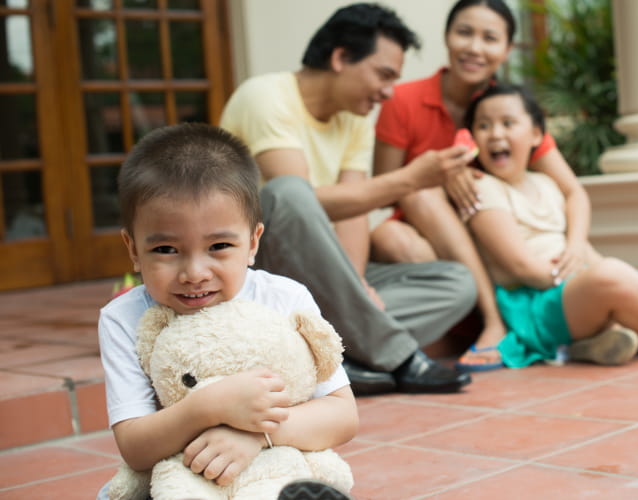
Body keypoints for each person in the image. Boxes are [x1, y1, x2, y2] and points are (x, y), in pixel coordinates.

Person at [219, 3, 476, 395]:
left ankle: (335, 349)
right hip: (263, 269)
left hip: (323, 283)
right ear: (341, 57)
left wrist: (356, 281)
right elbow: (298, 205)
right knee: (290, 193)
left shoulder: (355, 118)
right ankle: (398, 357)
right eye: (384, 75)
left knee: (457, 283)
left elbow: (355, 208)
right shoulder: (265, 96)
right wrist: (409, 179)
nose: (389, 92)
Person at [96, 124, 357, 499]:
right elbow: (135, 447)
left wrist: (256, 432)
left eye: (218, 245)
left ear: (252, 243)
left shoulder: (284, 298)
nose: (194, 273)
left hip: (272, 468)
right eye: (166, 250)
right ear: (134, 249)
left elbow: (342, 415)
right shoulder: (123, 318)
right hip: (181, 479)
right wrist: (206, 408)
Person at [371, 0, 599, 371]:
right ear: (447, 37)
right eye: (464, 33)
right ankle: (493, 319)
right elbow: (383, 189)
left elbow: (572, 191)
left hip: (495, 238)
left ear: (507, 49)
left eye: (489, 38)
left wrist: (575, 248)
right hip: (429, 233)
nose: (475, 48)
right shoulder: (405, 100)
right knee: (395, 231)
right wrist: (441, 177)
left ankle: (517, 322)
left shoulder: (508, 109)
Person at [460, 83, 638, 368]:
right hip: (541, 301)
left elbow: (582, 249)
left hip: (582, 285)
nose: (495, 134)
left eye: (508, 123)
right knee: (611, 275)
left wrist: (598, 270)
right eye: (483, 126)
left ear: (536, 134)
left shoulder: (547, 183)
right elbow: (522, 267)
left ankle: (608, 336)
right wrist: (593, 279)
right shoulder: (483, 188)